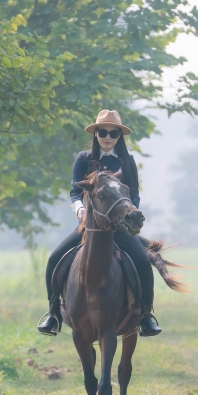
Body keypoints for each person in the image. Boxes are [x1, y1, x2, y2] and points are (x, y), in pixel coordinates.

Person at [36, 109, 162, 338]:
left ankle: (145, 316)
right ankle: (53, 313)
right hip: (90, 227)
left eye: (113, 134)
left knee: (144, 263)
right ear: (95, 133)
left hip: (120, 228)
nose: (107, 137)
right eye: (102, 132)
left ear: (119, 137)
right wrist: (80, 209)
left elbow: (134, 195)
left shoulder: (128, 161)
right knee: (54, 258)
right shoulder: (83, 159)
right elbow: (75, 191)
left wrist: (130, 212)